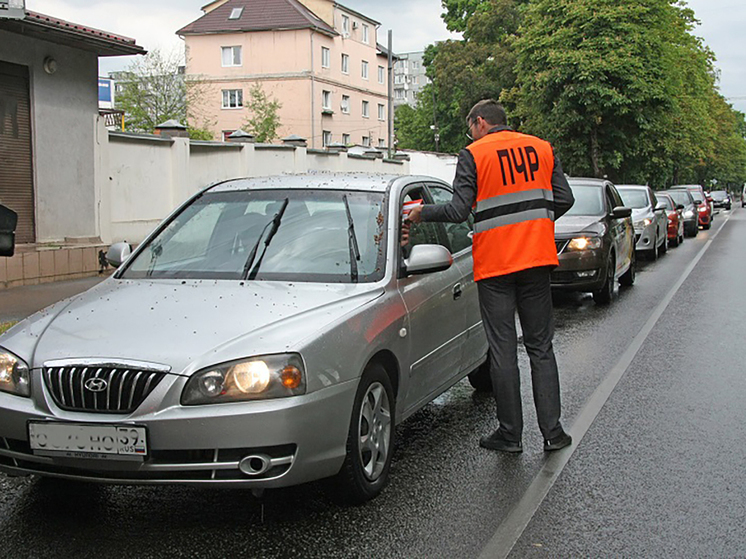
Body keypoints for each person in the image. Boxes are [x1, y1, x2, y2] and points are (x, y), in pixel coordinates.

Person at [406, 99, 575, 453]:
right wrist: (535, 224)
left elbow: (457, 209)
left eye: (471, 128)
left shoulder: (474, 154)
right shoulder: (542, 148)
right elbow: (565, 198)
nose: (471, 134)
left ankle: (510, 435)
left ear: (480, 122)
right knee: (541, 347)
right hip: (537, 260)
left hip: (497, 266)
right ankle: (553, 433)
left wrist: (421, 213)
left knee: (502, 349)